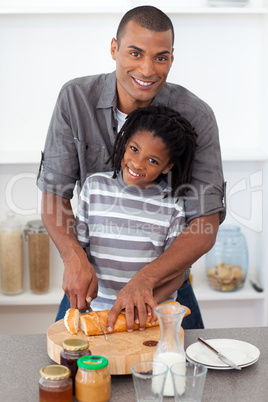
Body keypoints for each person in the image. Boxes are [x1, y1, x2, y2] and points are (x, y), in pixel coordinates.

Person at [37, 5, 225, 331]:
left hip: (164, 290)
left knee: (185, 376)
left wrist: (146, 280)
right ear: (114, 49)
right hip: (94, 289)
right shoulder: (75, 99)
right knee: (65, 369)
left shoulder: (197, 116)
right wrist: (73, 259)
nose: (147, 69)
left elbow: (204, 222)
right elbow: (55, 196)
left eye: (161, 57)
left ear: (172, 58)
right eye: (135, 53)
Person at [75, 105, 197, 318]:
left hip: (149, 316)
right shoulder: (94, 187)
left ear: (167, 167)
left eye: (153, 160)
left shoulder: (173, 204)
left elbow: (176, 274)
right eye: (134, 149)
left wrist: (145, 304)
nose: (138, 164)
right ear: (124, 142)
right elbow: (80, 252)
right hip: (99, 313)